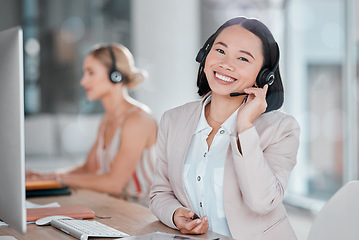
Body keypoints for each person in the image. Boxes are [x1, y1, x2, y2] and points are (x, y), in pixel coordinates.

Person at [149, 16, 300, 240]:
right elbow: (160, 193)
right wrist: (174, 214)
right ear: (205, 55)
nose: (226, 64)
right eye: (220, 51)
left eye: (243, 58)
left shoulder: (281, 129)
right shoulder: (173, 120)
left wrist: (245, 127)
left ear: (264, 76)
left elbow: (262, 202)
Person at [27, 44, 158, 205]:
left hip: (143, 212)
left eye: (91, 73)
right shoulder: (107, 120)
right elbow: (88, 168)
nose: (83, 81)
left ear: (114, 75)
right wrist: (45, 176)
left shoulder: (138, 120)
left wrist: (58, 178)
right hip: (118, 207)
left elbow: (114, 183)